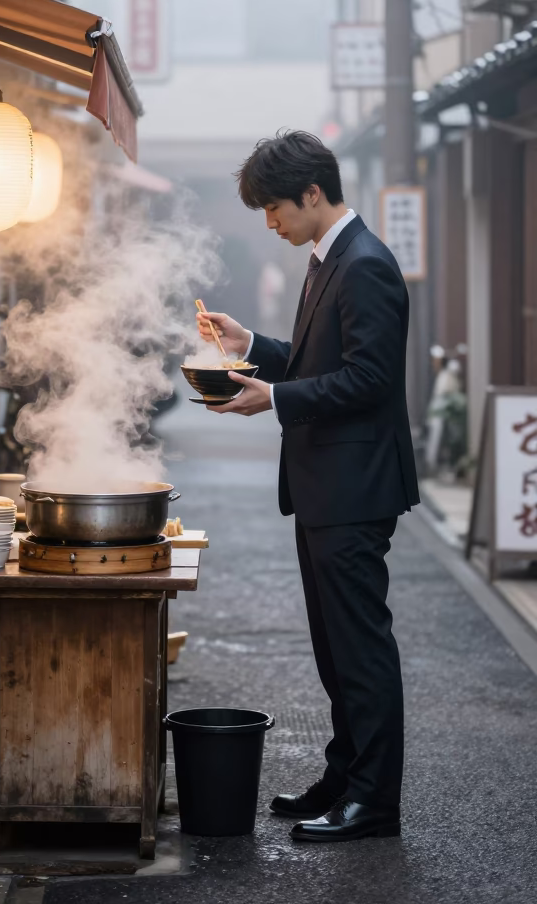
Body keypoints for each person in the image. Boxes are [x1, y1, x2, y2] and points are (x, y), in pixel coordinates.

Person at [197, 130, 418, 844]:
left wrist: (275, 399)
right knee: (334, 650)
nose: (270, 222)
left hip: (354, 487)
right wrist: (253, 346)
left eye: (273, 208)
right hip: (328, 484)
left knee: (359, 651)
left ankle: (373, 803)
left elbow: (371, 379)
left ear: (313, 194)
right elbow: (316, 358)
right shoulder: (331, 261)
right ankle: (344, 777)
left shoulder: (365, 266)